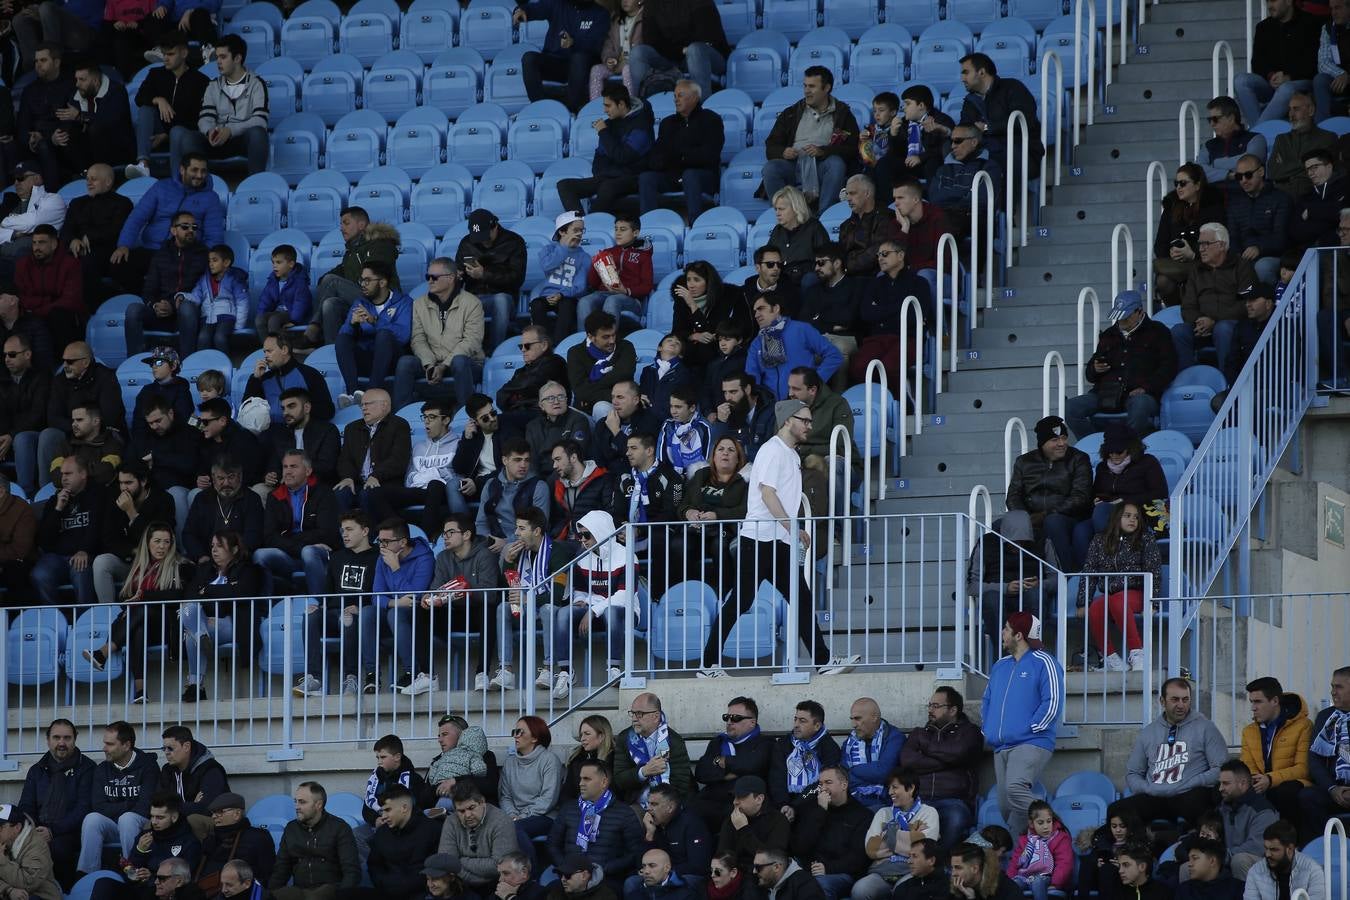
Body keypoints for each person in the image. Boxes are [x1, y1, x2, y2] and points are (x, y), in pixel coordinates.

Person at [699, 402, 855, 676]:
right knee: (741, 602)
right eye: (804, 420)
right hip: (758, 540)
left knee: (801, 598)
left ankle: (823, 661)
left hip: (775, 540)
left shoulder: (790, 454)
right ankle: (709, 664)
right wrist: (793, 528)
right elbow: (768, 494)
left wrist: (790, 530)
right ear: (787, 421)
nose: (809, 425)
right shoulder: (773, 451)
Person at [981, 612, 1063, 837]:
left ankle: (1056, 829)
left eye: (1006, 629)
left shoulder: (1044, 661)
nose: (1002, 633)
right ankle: (1027, 857)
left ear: (1019, 635)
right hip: (1000, 745)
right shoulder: (1000, 665)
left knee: (1015, 789)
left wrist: (1032, 728)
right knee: (1007, 807)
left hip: (1031, 741)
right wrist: (987, 729)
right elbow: (986, 700)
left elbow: (1053, 700)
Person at [1110, 678, 1228, 828]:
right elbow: (1133, 772)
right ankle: (1134, 848)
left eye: (1185, 700)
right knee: (1116, 811)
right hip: (1155, 796)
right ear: (1162, 701)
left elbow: (1221, 768)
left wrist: (1191, 783)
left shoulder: (1206, 728)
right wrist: (1147, 788)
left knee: (1200, 805)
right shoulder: (1148, 732)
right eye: (1175, 700)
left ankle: (1192, 844)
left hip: (1188, 794)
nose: (1181, 705)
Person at [538, 510, 637, 689]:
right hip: (593, 610)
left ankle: (614, 669)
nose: (582, 540)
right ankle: (566, 673)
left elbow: (625, 595)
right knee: (564, 612)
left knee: (611, 612)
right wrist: (581, 600)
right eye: (579, 535)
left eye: (586, 535)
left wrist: (593, 610)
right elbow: (580, 589)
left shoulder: (626, 555)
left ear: (600, 532)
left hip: (623, 613)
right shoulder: (582, 556)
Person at [1067, 290, 1177, 440]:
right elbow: (1090, 374)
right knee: (1070, 408)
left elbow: (1168, 367)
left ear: (1139, 312)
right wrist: (1095, 369)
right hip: (1105, 392)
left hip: (1141, 393)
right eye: (1119, 318)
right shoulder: (1108, 334)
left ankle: (1129, 448)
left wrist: (1146, 387)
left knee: (1140, 406)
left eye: (1125, 317)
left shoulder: (1158, 332)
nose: (1121, 321)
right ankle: (1095, 445)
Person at [490, 507, 577, 689]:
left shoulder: (557, 551)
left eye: (522, 528)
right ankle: (506, 671)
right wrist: (508, 561)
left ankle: (547, 669)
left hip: (551, 611)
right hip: (525, 610)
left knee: (547, 609)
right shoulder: (519, 552)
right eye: (517, 528)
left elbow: (557, 595)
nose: (516, 533)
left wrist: (528, 599)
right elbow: (511, 589)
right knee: (503, 607)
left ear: (536, 531)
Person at [1077, 502, 1163, 673]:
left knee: (1118, 601)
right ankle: (1111, 659)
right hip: (1111, 595)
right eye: (1127, 515)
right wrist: (1082, 602)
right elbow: (1089, 571)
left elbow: (1154, 571)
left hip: (1137, 592)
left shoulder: (1145, 538)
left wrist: (1153, 603)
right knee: (1095, 608)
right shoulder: (1099, 540)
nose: (1133, 520)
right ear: (1116, 518)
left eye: (1136, 517)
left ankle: (1137, 653)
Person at [179, 530, 263, 703]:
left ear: (233, 549)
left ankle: (196, 685)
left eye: (220, 546)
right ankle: (201, 636)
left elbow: (240, 593)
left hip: (234, 623)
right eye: (212, 546)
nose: (214, 550)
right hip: (206, 623)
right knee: (188, 611)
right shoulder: (205, 570)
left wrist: (208, 591)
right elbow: (190, 595)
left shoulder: (248, 569)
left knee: (190, 633)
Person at [762, 67, 858, 211]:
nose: (806, 91)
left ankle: (824, 215)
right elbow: (771, 146)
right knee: (771, 169)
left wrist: (823, 151)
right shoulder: (791, 113)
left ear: (826, 88)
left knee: (835, 163)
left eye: (812, 86)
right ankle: (786, 214)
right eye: (805, 86)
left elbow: (852, 149)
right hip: (793, 166)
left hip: (822, 166)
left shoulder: (843, 114)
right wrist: (783, 152)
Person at [426, 513, 502, 693]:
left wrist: (465, 591)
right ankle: (426, 675)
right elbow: (436, 588)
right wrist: (430, 599)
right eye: (444, 533)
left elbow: (490, 595)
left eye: (450, 532)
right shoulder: (443, 557)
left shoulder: (485, 555)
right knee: (421, 612)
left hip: (478, 613)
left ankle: (482, 673)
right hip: (454, 613)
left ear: (466, 535)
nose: (445, 537)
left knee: (488, 611)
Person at [899, 688, 983, 850]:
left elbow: (958, 752)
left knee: (955, 819)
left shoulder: (970, 732)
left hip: (953, 801)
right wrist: (948, 760)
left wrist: (925, 748)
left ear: (953, 710)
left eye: (936, 706)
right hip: (918, 801)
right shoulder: (919, 733)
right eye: (930, 705)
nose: (930, 710)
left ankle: (939, 863)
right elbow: (907, 761)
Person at [397, 258, 485, 414]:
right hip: (432, 361)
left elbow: (471, 341)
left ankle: (467, 414)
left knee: (459, 361)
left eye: (434, 277)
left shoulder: (472, 303)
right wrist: (429, 364)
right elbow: (418, 339)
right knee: (406, 362)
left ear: (451, 278)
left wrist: (444, 365)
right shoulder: (419, 304)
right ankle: (402, 415)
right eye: (428, 277)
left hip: (466, 363)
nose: (430, 281)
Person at [1005, 415, 1093, 570]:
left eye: (1064, 438)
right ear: (1042, 443)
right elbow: (1013, 496)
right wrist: (1024, 518)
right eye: (1055, 440)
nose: (1061, 444)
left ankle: (1064, 574)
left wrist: (1046, 515)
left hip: (1069, 517)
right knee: (1001, 526)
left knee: (1053, 522)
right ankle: (1012, 580)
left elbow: (1080, 497)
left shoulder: (1079, 459)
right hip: (1032, 517)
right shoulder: (1024, 462)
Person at [174, 36, 269, 174]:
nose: (218, 61)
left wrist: (230, 131)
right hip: (215, 139)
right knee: (188, 137)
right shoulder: (213, 85)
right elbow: (205, 118)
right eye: (217, 57)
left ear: (237, 58)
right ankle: (195, 186)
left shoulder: (257, 84)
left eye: (223, 57)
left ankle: (254, 185)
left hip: (241, 139)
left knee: (258, 133)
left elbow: (260, 120)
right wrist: (210, 131)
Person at [365, 399, 459, 538]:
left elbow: (456, 477)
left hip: (441, 492)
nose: (426, 422)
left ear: (445, 420)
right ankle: (402, 531)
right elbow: (409, 477)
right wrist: (424, 476)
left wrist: (431, 474)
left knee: (435, 484)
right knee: (374, 493)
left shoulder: (458, 443)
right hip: (418, 490)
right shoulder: (418, 447)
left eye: (432, 417)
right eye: (424, 417)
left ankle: (427, 536)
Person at [16, 719, 93, 886]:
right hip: (37, 830)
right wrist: (36, 830)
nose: (62, 743)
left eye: (67, 738)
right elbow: (26, 806)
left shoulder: (87, 768)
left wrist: (52, 831)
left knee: (57, 849)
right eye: (56, 737)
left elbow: (83, 809)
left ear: (75, 739)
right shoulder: (37, 770)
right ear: (48, 739)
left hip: (71, 832)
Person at [124, 208, 209, 358]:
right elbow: (148, 290)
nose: (190, 230)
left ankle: (187, 361)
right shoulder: (161, 255)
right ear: (173, 230)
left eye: (194, 227)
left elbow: (203, 289)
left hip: (187, 309)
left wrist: (172, 304)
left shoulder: (203, 254)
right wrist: (155, 305)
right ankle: (134, 361)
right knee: (133, 310)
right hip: (161, 311)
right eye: (185, 227)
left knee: (187, 308)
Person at [1173, 222, 1258, 372]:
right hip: (1202, 325)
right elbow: (1188, 305)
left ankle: (1228, 382)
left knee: (1223, 328)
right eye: (1199, 244)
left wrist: (1214, 321)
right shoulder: (1196, 270)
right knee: (1179, 331)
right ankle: (1188, 380)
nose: (1200, 249)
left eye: (1206, 244)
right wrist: (1199, 321)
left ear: (1221, 245)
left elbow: (1246, 302)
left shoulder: (1242, 266)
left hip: (1231, 324)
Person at [849, 236, 931, 389]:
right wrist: (899, 307)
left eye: (885, 254)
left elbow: (914, 317)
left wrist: (881, 313)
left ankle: (899, 406)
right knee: (859, 367)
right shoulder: (874, 284)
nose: (880, 258)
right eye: (878, 255)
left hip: (907, 338)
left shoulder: (919, 283)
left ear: (900, 256)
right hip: (877, 339)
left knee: (890, 367)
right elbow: (867, 314)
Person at [37, 342, 123, 486]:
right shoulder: (60, 380)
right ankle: (46, 491)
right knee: (48, 435)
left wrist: (86, 427)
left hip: (103, 433)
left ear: (86, 362)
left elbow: (110, 416)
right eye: (63, 360)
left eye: (70, 361)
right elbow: (52, 417)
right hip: (71, 433)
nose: (65, 365)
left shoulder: (106, 378)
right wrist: (77, 427)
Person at [254, 450, 339, 594]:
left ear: (308, 471)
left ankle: (319, 605)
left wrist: (291, 541)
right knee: (260, 555)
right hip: (290, 554)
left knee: (309, 552)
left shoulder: (324, 493)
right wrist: (298, 546)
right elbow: (269, 537)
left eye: (293, 466)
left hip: (320, 554)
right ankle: (263, 611)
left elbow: (327, 533)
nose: (287, 471)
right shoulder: (274, 497)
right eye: (285, 467)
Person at [559, 84, 654, 214]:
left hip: (633, 177)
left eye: (608, 105)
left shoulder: (641, 126)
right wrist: (602, 174)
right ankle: (578, 225)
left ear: (621, 104)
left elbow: (624, 156)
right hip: (609, 176)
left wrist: (603, 132)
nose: (604, 110)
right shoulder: (609, 124)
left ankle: (592, 226)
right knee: (565, 185)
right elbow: (599, 156)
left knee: (607, 186)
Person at [849, 769, 941, 900]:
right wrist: (912, 835)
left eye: (895, 787)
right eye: (889, 788)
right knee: (860, 890)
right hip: (881, 872)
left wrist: (888, 833)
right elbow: (871, 848)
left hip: (911, 872)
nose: (890, 792)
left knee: (903, 892)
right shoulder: (883, 813)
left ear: (910, 788)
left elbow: (924, 849)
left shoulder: (929, 813)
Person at [639, 80, 724, 222]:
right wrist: (662, 162)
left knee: (690, 175)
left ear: (695, 97)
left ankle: (694, 223)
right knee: (646, 178)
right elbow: (657, 153)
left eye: (680, 95)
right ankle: (648, 225)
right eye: (675, 96)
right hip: (672, 174)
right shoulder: (667, 123)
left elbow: (710, 154)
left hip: (703, 176)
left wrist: (680, 157)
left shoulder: (711, 119)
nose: (676, 100)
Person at [125, 35, 208, 180]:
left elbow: (197, 117)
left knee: (176, 131)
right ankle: (143, 164)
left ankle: (176, 179)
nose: (165, 58)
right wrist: (158, 99)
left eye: (170, 54)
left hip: (184, 130)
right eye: (164, 54)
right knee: (146, 109)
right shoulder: (155, 74)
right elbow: (140, 98)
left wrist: (166, 135)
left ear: (184, 54)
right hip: (159, 127)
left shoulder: (200, 81)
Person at [547, 760, 644, 884]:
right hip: (568, 878)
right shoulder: (568, 809)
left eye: (587, 779)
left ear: (604, 782)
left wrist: (605, 868)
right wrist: (566, 867)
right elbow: (552, 844)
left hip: (606, 880)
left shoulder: (624, 813)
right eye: (580, 779)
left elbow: (634, 852)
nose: (581, 783)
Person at [334, 261, 415, 406]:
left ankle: (371, 392)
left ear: (382, 282)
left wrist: (374, 322)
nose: (362, 284)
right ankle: (352, 393)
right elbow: (345, 333)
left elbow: (403, 336)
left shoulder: (404, 302)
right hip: (369, 359)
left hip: (393, 360)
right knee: (342, 339)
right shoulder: (360, 302)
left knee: (384, 335)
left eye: (367, 280)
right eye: (361, 280)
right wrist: (353, 325)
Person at [626, 0, 729, 108]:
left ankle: (702, 110)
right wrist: (679, 50)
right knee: (638, 52)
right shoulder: (652, 3)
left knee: (695, 50)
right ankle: (643, 108)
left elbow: (706, 35)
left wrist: (681, 49)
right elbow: (651, 40)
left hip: (709, 55)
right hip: (672, 56)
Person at [787, 766, 871, 900]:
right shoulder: (813, 808)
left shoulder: (862, 815)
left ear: (844, 785)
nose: (823, 788)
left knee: (818, 885)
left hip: (840, 873)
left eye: (828, 782)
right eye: (820, 784)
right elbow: (800, 847)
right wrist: (820, 811)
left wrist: (828, 868)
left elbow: (858, 858)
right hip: (808, 868)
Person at [44, 60, 135, 181]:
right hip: (89, 153)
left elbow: (110, 121)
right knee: (67, 133)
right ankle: (82, 173)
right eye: (76, 79)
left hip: (118, 149)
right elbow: (66, 120)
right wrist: (56, 136)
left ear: (96, 81)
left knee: (96, 128)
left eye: (82, 80)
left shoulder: (116, 91)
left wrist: (80, 116)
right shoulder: (77, 94)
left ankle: (101, 173)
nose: (77, 84)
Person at [957, 53, 1042, 180]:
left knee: (990, 162)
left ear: (981, 72)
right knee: (950, 149)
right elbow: (965, 128)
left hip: (1020, 153)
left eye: (966, 72)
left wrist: (987, 127)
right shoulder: (970, 101)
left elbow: (1025, 121)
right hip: (984, 151)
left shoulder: (1012, 88)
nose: (962, 78)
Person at [1234, 0, 1320, 126]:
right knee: (1240, 80)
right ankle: (1260, 131)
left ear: (1289, 1)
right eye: (1267, 1)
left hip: (1301, 83)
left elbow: (1314, 62)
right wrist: (1270, 75)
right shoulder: (1263, 27)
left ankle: (1256, 134)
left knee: (1286, 88)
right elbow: (1257, 62)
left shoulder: (1310, 23)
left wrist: (1289, 76)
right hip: (1271, 83)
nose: (1269, 5)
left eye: (1273, 1)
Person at [269, 782, 361, 900]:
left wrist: (342, 895)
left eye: (302, 802)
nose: (297, 806)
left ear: (318, 804)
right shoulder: (291, 829)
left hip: (331, 893)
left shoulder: (339, 828)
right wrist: (271, 894)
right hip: (299, 892)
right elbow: (281, 869)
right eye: (295, 801)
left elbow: (351, 871)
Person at [1153, 165, 1229, 304]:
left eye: (1183, 183)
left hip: (1204, 264)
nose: (1178, 188)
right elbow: (1159, 244)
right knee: (1163, 281)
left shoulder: (1213, 208)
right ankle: (1176, 312)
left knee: (1198, 278)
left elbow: (1219, 245)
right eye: (1176, 184)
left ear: (1197, 185)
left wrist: (1192, 254)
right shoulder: (1171, 208)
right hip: (1176, 266)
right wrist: (1172, 252)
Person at [516, 0, 610, 112]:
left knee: (579, 58)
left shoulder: (601, 13)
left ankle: (571, 110)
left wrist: (573, 42)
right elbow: (537, 8)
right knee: (529, 58)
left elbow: (597, 45)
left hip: (583, 66)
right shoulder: (557, 4)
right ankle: (539, 107)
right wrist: (522, 11)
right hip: (557, 63)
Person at [746, 296, 843, 404]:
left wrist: (814, 382)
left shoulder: (801, 329)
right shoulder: (757, 342)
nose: (756, 315)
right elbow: (752, 376)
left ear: (776, 308)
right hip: (773, 408)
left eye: (761, 309)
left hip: (804, 403)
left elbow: (834, 356)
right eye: (755, 311)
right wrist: (760, 400)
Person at [32, 455, 102, 604]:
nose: (63, 478)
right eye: (62, 474)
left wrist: (85, 550)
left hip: (86, 554)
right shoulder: (54, 500)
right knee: (40, 574)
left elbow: (97, 529)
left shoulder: (97, 496)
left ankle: (85, 620)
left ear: (83, 474)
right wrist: (58, 510)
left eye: (68, 473)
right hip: (57, 557)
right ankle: (55, 619)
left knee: (80, 571)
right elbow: (44, 540)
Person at [455, 209, 526, 354]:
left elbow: (517, 279)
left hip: (505, 297)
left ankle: (496, 351)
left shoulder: (514, 242)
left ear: (495, 226)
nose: (483, 241)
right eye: (478, 238)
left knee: (501, 300)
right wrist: (457, 277)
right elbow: (458, 273)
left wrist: (484, 274)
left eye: (486, 237)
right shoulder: (466, 243)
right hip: (474, 296)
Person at [334, 389, 413, 513]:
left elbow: (398, 459)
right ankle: (344, 531)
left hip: (385, 483)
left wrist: (376, 476)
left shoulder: (399, 425)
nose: (363, 408)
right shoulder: (352, 428)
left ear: (384, 405)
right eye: (362, 405)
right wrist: (347, 477)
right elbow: (345, 459)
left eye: (368, 404)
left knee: (369, 494)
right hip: (357, 482)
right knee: (340, 492)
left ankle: (369, 532)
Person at [500, 716, 564, 866]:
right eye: (514, 732)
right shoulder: (509, 763)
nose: (515, 735)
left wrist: (522, 816)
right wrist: (512, 815)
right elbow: (505, 796)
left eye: (520, 732)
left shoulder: (549, 760)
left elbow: (548, 798)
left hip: (545, 816)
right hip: (515, 818)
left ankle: (530, 872)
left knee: (515, 828)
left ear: (535, 737)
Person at [438, 781, 521, 894]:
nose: (467, 815)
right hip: (461, 886)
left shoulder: (502, 821)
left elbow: (499, 866)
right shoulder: (451, 822)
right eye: (461, 811)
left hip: (497, 885)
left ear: (482, 802)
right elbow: (446, 862)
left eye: (471, 808)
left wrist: (461, 860)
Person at [1299, 667, 1350, 844]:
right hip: (1335, 789)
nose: (1333, 692)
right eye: (1332, 686)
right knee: (1307, 797)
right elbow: (1314, 759)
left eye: (1339, 687)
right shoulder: (1325, 717)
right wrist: (1332, 788)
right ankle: (1322, 848)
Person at [670, 261, 752, 372]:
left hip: (721, 354)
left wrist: (693, 306)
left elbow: (742, 328)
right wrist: (693, 336)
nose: (691, 285)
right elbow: (677, 331)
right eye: (688, 280)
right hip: (690, 358)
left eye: (697, 280)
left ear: (709, 282)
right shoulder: (681, 301)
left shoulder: (730, 297)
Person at [613, 692, 692, 804]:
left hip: (669, 803)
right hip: (636, 802)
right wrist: (643, 772)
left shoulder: (674, 741)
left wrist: (658, 807)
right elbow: (619, 779)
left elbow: (681, 782)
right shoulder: (625, 738)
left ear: (655, 716)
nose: (634, 718)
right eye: (633, 713)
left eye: (639, 713)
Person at [244, 332, 336, 427]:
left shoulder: (309, 374)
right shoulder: (263, 379)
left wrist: (299, 410)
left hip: (304, 432)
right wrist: (255, 379)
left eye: (269, 351)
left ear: (284, 350)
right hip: (272, 434)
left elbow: (328, 410)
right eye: (265, 352)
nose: (266, 356)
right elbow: (246, 411)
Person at [368, 785, 443, 900]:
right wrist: (384, 883)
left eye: (388, 810)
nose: (383, 816)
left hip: (421, 894)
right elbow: (374, 865)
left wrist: (398, 886)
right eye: (382, 811)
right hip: (386, 891)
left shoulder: (432, 830)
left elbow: (434, 872)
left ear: (404, 808)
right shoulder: (382, 832)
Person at [927, 124, 1002, 239]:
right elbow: (935, 198)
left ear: (974, 142)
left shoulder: (989, 167)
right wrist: (965, 192)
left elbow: (982, 200)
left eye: (958, 141)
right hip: (945, 215)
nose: (952, 146)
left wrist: (951, 196)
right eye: (951, 141)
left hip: (973, 218)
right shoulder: (944, 169)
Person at [182, 458, 264, 563]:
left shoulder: (252, 499)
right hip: (206, 559)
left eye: (231, 477)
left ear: (240, 477)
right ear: (213, 478)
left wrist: (234, 557)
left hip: (239, 560)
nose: (226, 483)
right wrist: (201, 556)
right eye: (221, 478)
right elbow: (189, 533)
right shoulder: (202, 498)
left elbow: (253, 536)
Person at [1226, 154, 1291, 285]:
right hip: (1244, 257)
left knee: (1263, 267)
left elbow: (1282, 238)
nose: (1243, 180)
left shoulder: (1281, 199)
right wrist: (1238, 255)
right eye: (1239, 177)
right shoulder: (1235, 203)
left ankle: (1272, 303)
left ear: (1261, 172)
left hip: (1273, 256)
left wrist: (1259, 248)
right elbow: (1233, 237)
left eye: (1248, 175)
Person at [16, 224, 82, 348]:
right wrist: (47, 301)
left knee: (59, 315)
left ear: (54, 244)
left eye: (41, 243)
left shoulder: (70, 264)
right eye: (34, 243)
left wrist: (40, 309)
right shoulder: (23, 264)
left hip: (59, 316)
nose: (36, 247)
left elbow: (70, 300)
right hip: (33, 312)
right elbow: (22, 296)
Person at [199, 793, 277, 890]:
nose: (214, 816)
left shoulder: (258, 838)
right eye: (213, 813)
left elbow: (267, 875)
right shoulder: (210, 838)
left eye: (219, 812)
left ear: (237, 814)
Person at [637, 785, 712, 885]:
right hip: (657, 873)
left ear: (670, 807)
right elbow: (639, 863)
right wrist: (649, 835)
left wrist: (664, 873)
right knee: (632, 882)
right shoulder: (651, 824)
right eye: (648, 804)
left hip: (686, 875)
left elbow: (698, 865)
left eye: (654, 804)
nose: (648, 809)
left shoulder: (692, 823)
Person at [567, 312, 638, 416]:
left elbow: (624, 374)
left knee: (601, 408)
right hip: (585, 411)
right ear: (590, 336)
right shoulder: (576, 353)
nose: (612, 341)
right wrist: (619, 395)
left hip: (622, 408)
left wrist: (590, 390)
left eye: (613, 335)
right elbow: (580, 390)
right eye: (606, 337)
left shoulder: (625, 347)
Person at [498, 326, 571, 427]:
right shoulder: (521, 371)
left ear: (544, 345)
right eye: (521, 346)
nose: (523, 350)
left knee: (498, 421)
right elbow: (500, 396)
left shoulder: (554, 362)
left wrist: (516, 397)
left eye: (527, 346)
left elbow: (528, 384)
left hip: (544, 415)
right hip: (521, 415)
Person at [839, 700, 904, 809]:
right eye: (852, 719)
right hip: (854, 801)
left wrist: (853, 769)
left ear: (874, 717)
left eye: (858, 718)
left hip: (886, 803)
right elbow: (843, 777)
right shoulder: (850, 743)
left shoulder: (894, 738)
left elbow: (883, 772)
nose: (853, 724)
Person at [156, 725, 229, 822]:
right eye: (163, 748)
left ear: (186, 746)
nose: (166, 752)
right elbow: (157, 804)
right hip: (175, 822)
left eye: (170, 748)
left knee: (194, 820)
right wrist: (192, 805)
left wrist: (173, 806)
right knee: (150, 827)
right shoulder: (167, 770)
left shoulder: (210, 769)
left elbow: (206, 809)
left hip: (212, 824)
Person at [1267, 93, 1334, 196]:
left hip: (1312, 196)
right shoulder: (1281, 139)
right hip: (1282, 196)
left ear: (1311, 111)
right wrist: (1308, 165)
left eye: (1296, 109)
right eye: (1290, 109)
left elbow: (1324, 174)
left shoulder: (1327, 138)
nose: (1291, 115)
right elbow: (1273, 172)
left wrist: (1286, 166)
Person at [717, 776, 791, 870]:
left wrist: (743, 829)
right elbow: (722, 857)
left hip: (763, 876)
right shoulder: (731, 820)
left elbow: (771, 860)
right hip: (736, 874)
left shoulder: (778, 821)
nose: (735, 802)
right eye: (735, 797)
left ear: (759, 799)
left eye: (741, 797)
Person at [1004, 801, 1072, 900]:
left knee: (1038, 881)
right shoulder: (1025, 839)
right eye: (1040, 823)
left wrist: (1056, 883)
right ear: (1031, 824)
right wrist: (1009, 880)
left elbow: (1064, 863)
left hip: (1047, 877)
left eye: (1049, 821)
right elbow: (1015, 862)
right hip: (1025, 878)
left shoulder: (1060, 838)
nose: (1046, 826)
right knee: (1013, 885)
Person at [838, 175, 901, 279]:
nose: (848, 198)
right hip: (848, 277)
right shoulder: (845, 225)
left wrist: (845, 267)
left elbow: (877, 253)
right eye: (847, 194)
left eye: (853, 193)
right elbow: (840, 254)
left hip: (874, 276)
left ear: (867, 193)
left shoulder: (886, 218)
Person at [1197, 97, 1266, 192]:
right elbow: (1198, 172)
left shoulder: (1256, 139)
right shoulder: (1208, 146)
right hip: (1215, 201)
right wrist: (1228, 175)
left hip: (1246, 199)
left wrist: (1214, 164)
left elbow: (1249, 165)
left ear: (1231, 118)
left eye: (1215, 119)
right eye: (1210, 120)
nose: (1212, 124)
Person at [548, 438, 612, 540]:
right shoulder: (557, 485)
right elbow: (558, 519)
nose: (554, 465)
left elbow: (609, 514)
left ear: (573, 457)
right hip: (566, 541)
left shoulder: (601, 479)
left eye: (558, 459)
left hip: (593, 542)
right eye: (554, 461)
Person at [767, 187, 830, 290]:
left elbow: (825, 260)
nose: (777, 213)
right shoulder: (777, 231)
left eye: (781, 209)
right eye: (776, 209)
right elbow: (768, 257)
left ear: (796, 208)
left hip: (805, 281)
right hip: (782, 280)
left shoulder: (814, 227)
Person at [1242, 822, 1324, 900]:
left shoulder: (1313, 871)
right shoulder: (1255, 871)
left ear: (1290, 849)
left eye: (1273, 850)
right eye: (1266, 848)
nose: (1267, 854)